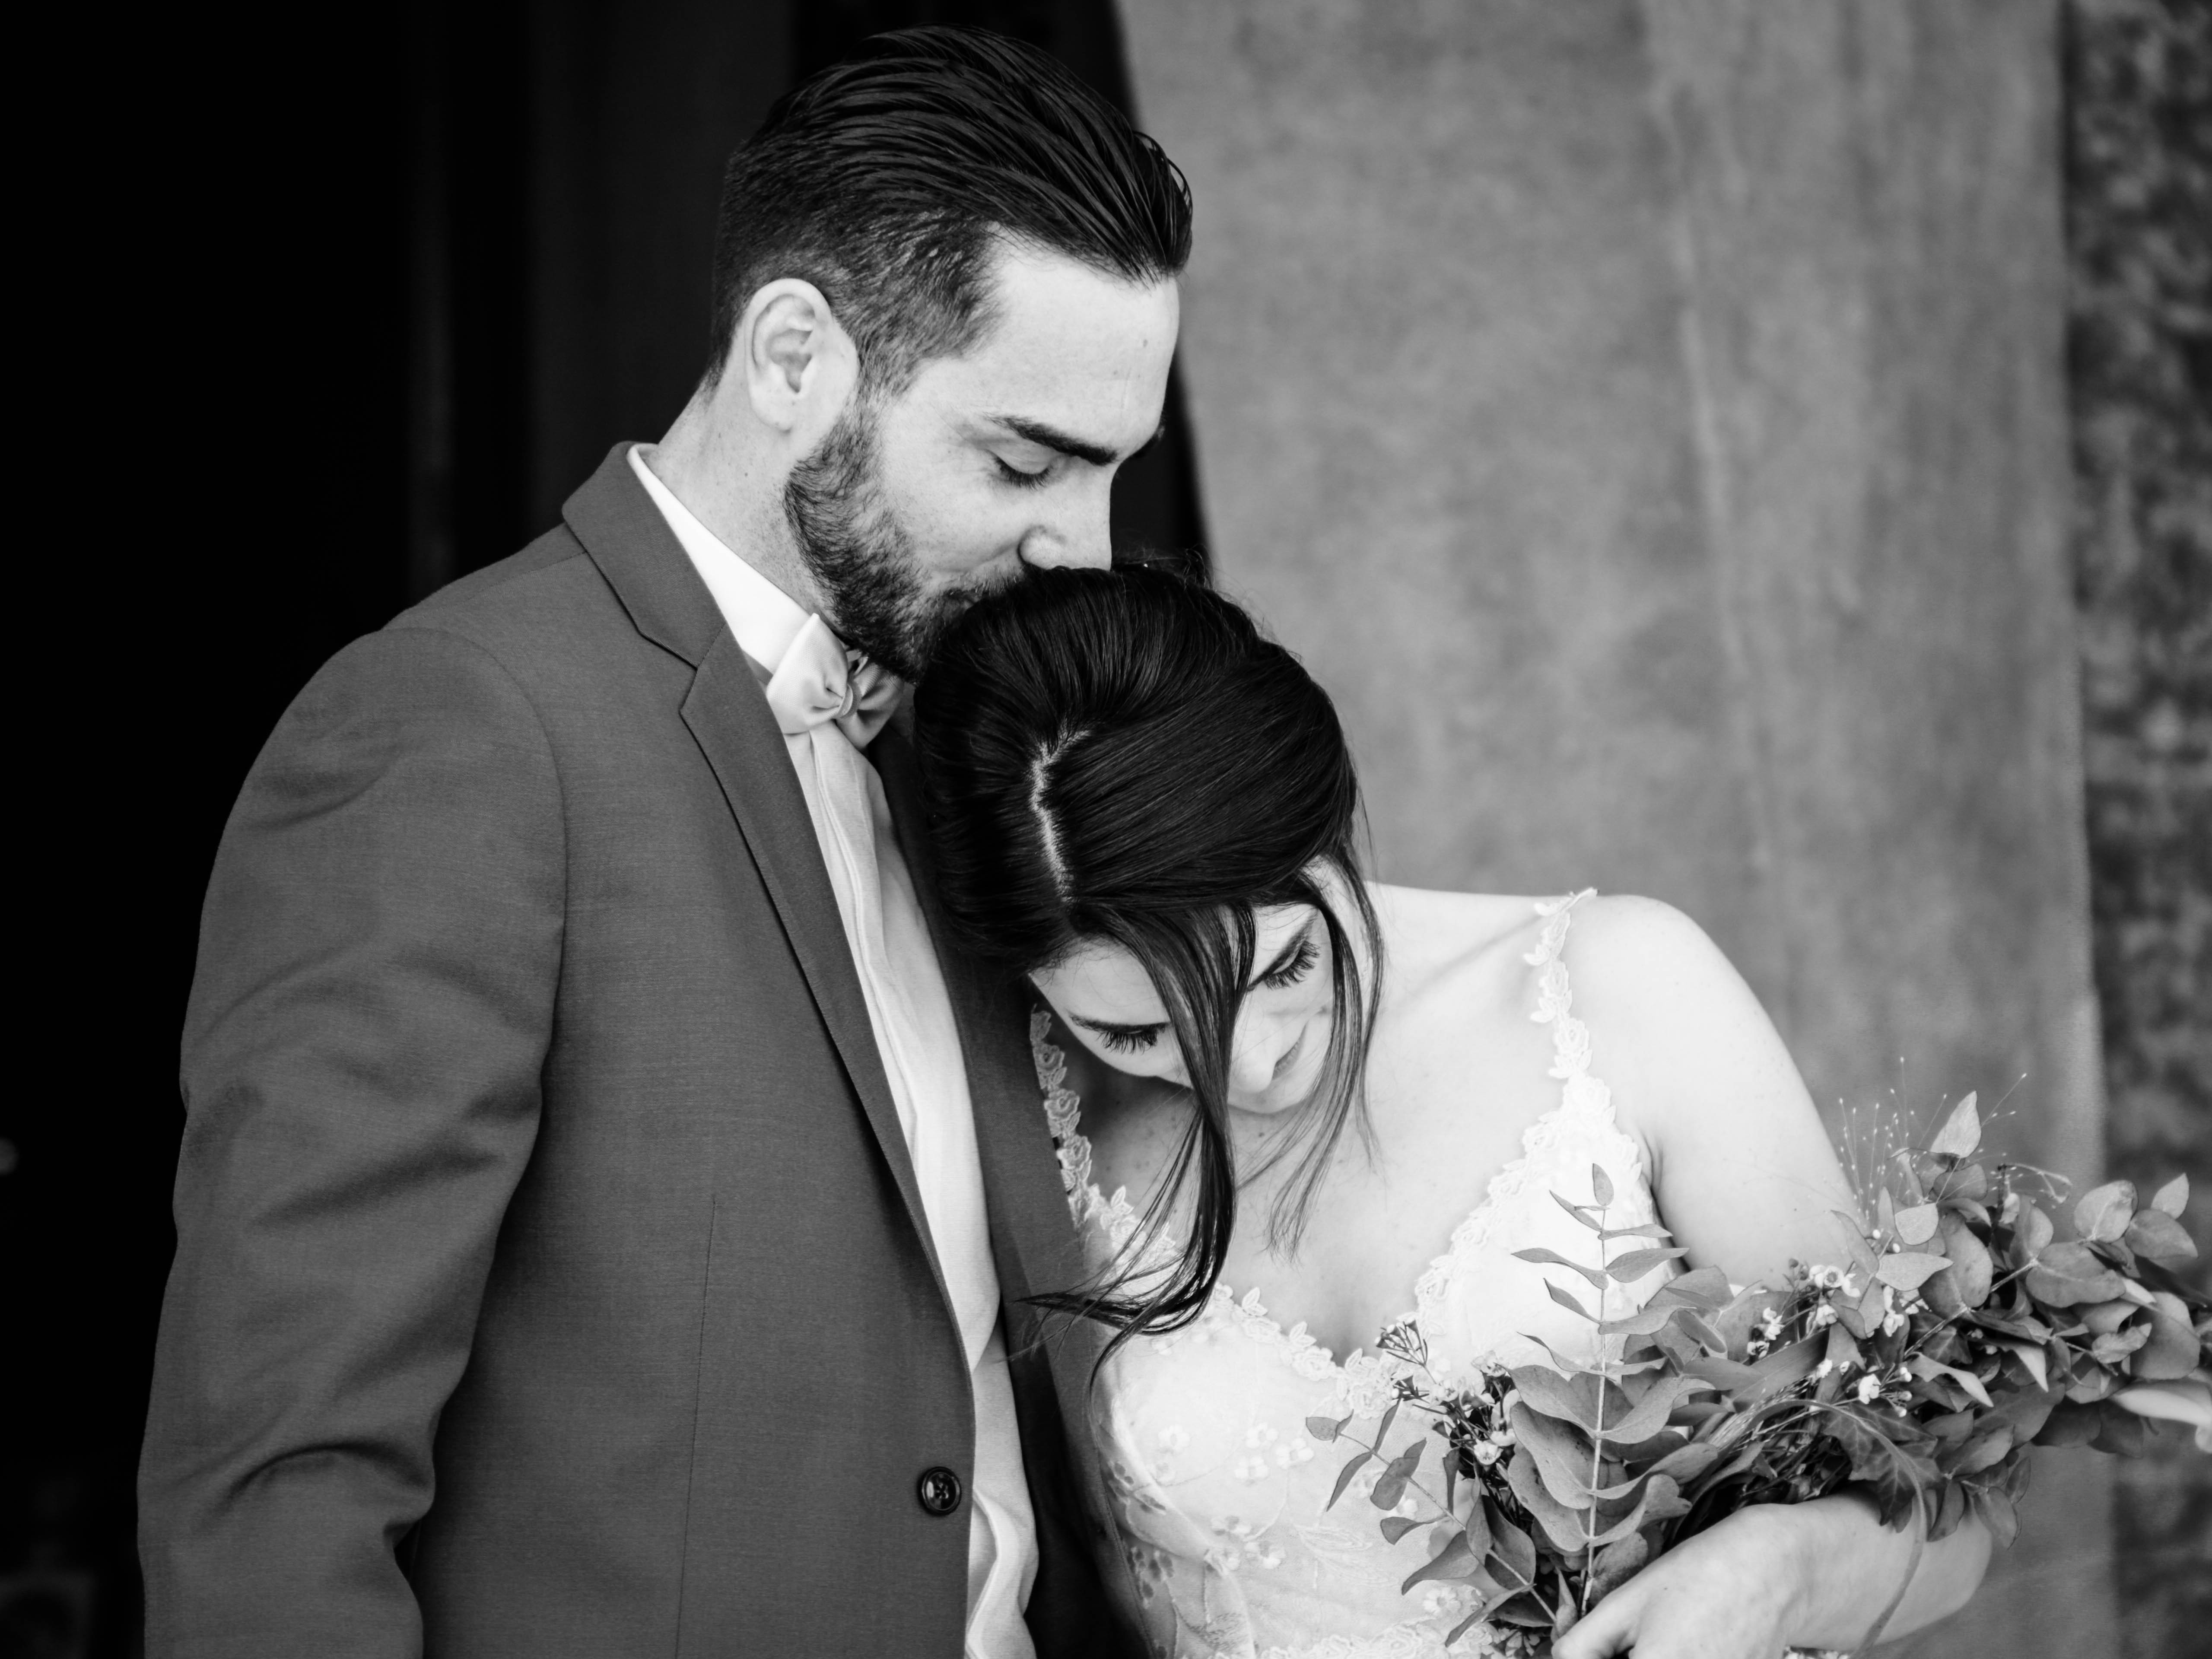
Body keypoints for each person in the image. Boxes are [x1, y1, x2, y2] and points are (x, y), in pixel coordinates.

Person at [141, 29, 1183, 1656]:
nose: (1084, 548)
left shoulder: (973, 741)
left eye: (1113, 472)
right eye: (1025, 459)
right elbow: (283, 1488)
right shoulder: (456, 729)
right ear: (793, 357)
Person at [912, 565, 1996, 1659]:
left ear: (1324, 822)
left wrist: (1777, 1579)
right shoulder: (1023, 1120)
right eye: (1140, 1034)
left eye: (1285, 966)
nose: (1250, 1066)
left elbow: (1942, 1517)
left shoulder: (1624, 990)